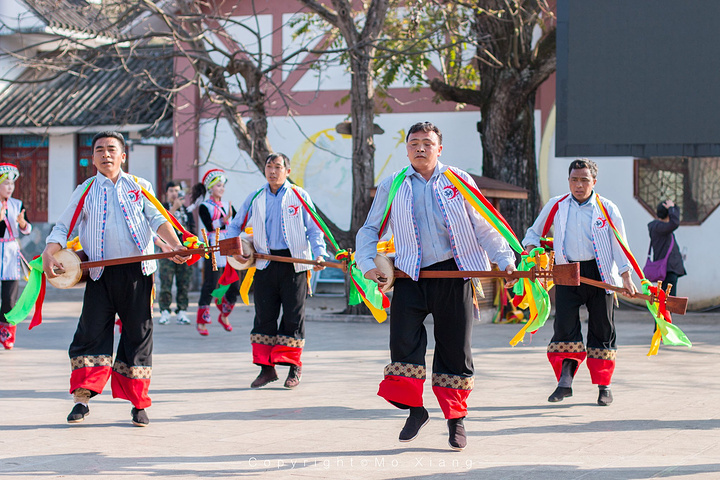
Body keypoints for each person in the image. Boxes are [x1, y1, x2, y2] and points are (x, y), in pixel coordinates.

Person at [356, 122, 516, 451]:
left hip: (454, 274)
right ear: (406, 149)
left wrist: (505, 259)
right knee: (402, 342)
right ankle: (416, 411)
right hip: (410, 274)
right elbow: (370, 229)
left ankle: (456, 419)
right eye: (414, 142)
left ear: (439, 149)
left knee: (455, 347)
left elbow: (484, 226)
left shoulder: (459, 180)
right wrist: (367, 263)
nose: (420, 148)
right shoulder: (393, 184)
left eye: (427, 143)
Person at [41, 131, 189, 426]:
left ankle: (138, 403)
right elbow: (64, 226)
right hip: (99, 273)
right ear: (92, 158)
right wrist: (48, 252)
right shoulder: (85, 190)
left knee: (138, 335)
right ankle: (82, 399)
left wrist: (174, 245)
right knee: (90, 333)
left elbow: (158, 219)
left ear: (123, 155)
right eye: (99, 150)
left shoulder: (140, 186)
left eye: (111, 149)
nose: (105, 154)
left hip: (138, 274)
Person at [522, 158, 638, 407]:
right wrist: (531, 252)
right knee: (564, 326)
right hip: (566, 271)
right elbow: (533, 232)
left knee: (603, 328)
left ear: (594, 181)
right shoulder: (557, 205)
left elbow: (620, 244)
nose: (578, 185)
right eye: (574, 180)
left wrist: (626, 276)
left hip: (600, 272)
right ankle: (565, 382)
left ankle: (604, 386)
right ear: (568, 181)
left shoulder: (607, 208)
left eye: (584, 180)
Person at [228, 153, 327, 390]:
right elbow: (235, 225)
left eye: (278, 167)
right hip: (265, 262)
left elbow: (314, 229)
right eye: (269, 166)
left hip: (295, 263)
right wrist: (234, 250)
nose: (273, 171)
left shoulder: (299, 196)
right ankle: (266, 369)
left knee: (293, 315)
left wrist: (319, 254)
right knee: (264, 315)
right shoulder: (255, 197)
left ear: (287, 171)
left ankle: (294, 367)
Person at [191, 169, 239, 336]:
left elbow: (237, 223)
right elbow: (210, 226)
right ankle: (201, 321)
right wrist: (225, 220)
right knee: (211, 283)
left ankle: (224, 314)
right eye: (218, 185)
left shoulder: (228, 205)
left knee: (234, 283)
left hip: (229, 245)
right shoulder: (205, 206)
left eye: (223, 185)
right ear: (211, 188)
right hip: (213, 245)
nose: (222, 188)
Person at [0, 164, 32, 350]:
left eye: (12, 183)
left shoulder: (17, 204)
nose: (10, 187)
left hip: (11, 253)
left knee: (10, 297)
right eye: (6, 183)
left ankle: (7, 332)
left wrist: (22, 224)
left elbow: (28, 229)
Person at [156, 181, 196, 325]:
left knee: (183, 283)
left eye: (177, 191)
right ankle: (165, 311)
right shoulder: (162, 208)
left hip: (184, 251)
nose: (174, 194)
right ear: (166, 193)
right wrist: (173, 209)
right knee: (166, 282)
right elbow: (161, 223)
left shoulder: (187, 210)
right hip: (167, 252)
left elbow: (192, 229)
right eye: (172, 191)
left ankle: (182, 311)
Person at [648, 200, 685, 296]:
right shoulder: (659, 227)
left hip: (666, 269)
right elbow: (675, 223)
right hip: (668, 270)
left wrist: (673, 208)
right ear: (668, 214)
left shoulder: (658, 227)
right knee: (668, 300)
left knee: (664, 299)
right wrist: (672, 209)